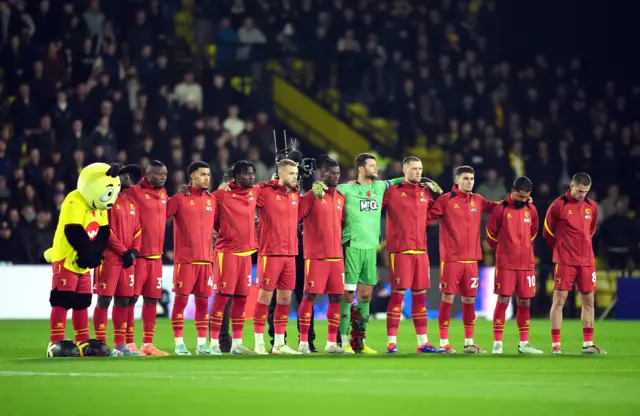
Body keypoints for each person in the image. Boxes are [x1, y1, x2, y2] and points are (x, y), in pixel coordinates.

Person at [334, 153, 441, 353]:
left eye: (420, 169)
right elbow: (333, 195)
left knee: (366, 295)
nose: (377, 168)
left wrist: (427, 182)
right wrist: (322, 186)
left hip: (375, 248)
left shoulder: (380, 187)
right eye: (372, 165)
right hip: (354, 247)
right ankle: (344, 341)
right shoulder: (351, 189)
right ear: (361, 168)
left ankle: (360, 342)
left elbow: (433, 213)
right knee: (349, 295)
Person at [429, 165, 501, 354]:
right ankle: (444, 343)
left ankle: (469, 342)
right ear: (457, 181)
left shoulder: (477, 200)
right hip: (451, 259)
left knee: (469, 299)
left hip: (471, 260)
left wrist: (516, 200)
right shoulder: (445, 200)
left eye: (471, 179)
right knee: (448, 297)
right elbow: (428, 217)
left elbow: (495, 207)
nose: (470, 182)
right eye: (466, 178)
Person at [382, 156, 444, 354]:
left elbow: (436, 213)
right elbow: (373, 210)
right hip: (400, 251)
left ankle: (423, 343)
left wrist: (440, 194)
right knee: (398, 296)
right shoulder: (392, 192)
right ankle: (391, 343)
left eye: (420, 169)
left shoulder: (426, 193)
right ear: (404, 170)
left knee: (420, 298)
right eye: (414, 168)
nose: (418, 172)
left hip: (421, 251)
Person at [543, 173, 606, 354]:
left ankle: (588, 344)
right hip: (565, 261)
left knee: (589, 301)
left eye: (585, 192)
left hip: (586, 261)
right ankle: (556, 345)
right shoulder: (558, 205)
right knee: (559, 300)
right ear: (572, 186)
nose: (582, 195)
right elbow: (547, 232)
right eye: (579, 191)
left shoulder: (591, 206)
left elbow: (591, 231)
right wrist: (562, 249)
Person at [486, 176, 543, 355]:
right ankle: (497, 343)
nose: (523, 200)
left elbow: (533, 232)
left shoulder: (531, 209)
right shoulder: (500, 209)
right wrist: (504, 250)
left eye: (526, 197)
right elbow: (490, 235)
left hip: (526, 264)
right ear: (512, 191)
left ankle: (524, 344)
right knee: (503, 300)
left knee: (524, 302)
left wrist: (523, 249)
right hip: (506, 264)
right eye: (520, 197)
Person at [207, 161, 257, 355]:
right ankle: (212, 344)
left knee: (242, 299)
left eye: (253, 173)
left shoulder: (254, 193)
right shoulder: (220, 195)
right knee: (221, 297)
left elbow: (273, 186)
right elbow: (205, 210)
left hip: (246, 254)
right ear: (236, 177)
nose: (251, 177)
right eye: (247, 174)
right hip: (226, 253)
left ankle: (236, 343)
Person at [167, 161, 216, 355]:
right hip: (186, 261)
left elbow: (219, 225)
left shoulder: (212, 200)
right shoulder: (179, 199)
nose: (206, 177)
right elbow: (160, 216)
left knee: (203, 305)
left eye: (208, 174)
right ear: (192, 177)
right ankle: (179, 343)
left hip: (207, 261)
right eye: (202, 174)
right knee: (180, 303)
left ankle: (202, 344)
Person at [253, 159, 301, 355]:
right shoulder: (265, 191)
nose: (295, 176)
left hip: (290, 254)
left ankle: (279, 344)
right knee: (265, 297)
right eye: (291, 173)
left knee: (284, 299)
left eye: (296, 173)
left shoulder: (296, 194)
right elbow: (244, 194)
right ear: (280, 174)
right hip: (270, 253)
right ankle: (258, 343)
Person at [297, 157, 345, 354]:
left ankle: (331, 343)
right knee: (309, 297)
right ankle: (303, 343)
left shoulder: (341, 197)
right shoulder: (311, 196)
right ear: (322, 173)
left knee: (336, 298)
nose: (335, 176)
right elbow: (295, 218)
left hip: (337, 256)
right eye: (331, 173)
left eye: (337, 173)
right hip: (316, 256)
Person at [92, 168, 142, 356]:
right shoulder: (106, 202)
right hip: (110, 258)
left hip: (127, 260)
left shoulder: (131, 203)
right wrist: (123, 251)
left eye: (128, 175)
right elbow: (105, 231)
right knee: (104, 299)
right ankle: (101, 343)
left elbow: (138, 229)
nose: (128, 177)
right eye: (123, 174)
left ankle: (120, 345)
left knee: (123, 300)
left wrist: (134, 251)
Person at [126, 160, 170, 356]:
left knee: (152, 300)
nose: (163, 177)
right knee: (130, 300)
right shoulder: (133, 192)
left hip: (156, 257)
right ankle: (128, 343)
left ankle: (147, 343)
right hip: (138, 256)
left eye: (165, 174)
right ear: (147, 174)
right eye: (159, 174)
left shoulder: (163, 193)